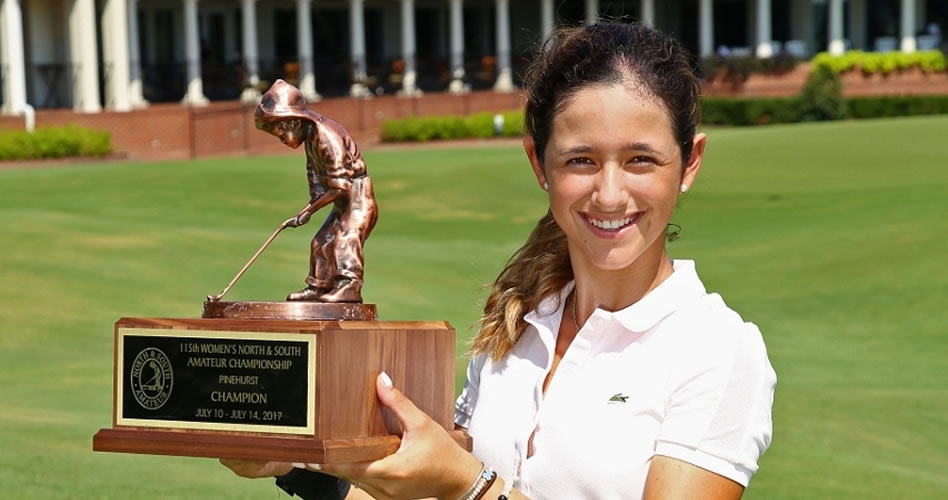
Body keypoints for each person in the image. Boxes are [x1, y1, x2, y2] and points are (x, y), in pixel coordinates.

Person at [223, 22, 776, 499]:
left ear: (690, 162)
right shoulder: (518, 323)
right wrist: (297, 460)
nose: (610, 194)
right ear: (540, 163)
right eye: (580, 159)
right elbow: (417, 486)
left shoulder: (719, 350)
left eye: (641, 160)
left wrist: (468, 483)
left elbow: (458, 482)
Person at [255, 80, 379, 303]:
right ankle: (319, 288)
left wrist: (308, 212)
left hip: (359, 196)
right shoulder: (310, 139)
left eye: (281, 135)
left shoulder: (326, 137)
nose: (282, 141)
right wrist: (307, 209)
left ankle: (349, 287)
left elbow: (341, 186)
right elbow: (317, 182)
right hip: (344, 200)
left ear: (292, 122)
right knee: (321, 241)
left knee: (346, 239)